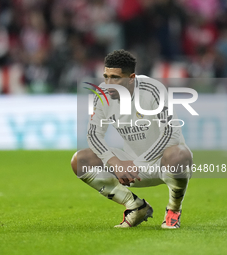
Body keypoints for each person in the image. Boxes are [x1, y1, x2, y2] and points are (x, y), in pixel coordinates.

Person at [71, 49, 193, 229]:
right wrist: (115, 162)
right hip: (128, 167)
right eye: (106, 76)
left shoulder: (152, 89)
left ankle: (173, 210)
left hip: (161, 164)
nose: (108, 83)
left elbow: (171, 133)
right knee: (80, 160)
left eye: (115, 78)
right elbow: (94, 135)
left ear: (131, 78)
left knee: (181, 154)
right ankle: (135, 206)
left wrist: (137, 163)